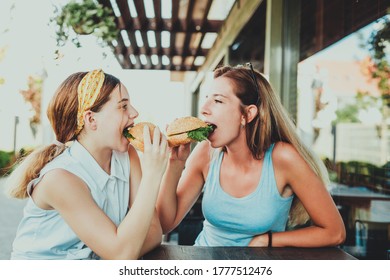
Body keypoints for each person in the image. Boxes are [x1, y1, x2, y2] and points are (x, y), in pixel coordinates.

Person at [157, 63, 346, 247]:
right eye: (207, 98)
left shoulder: (283, 158)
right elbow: (166, 224)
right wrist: (175, 163)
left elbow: (334, 232)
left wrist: (268, 241)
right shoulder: (206, 153)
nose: (204, 108)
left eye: (218, 100)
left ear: (247, 115)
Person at [6, 69, 169, 259]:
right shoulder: (59, 179)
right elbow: (122, 254)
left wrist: (120, 250)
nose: (134, 113)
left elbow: (154, 232)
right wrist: (152, 175)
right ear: (91, 119)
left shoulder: (126, 155)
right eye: (123, 106)